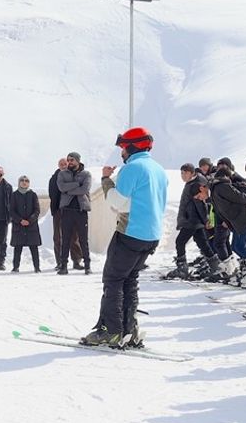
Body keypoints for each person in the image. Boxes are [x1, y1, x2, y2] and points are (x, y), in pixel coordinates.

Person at [81, 127, 168, 347]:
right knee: (130, 280)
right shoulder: (158, 169)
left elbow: (117, 203)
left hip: (131, 233)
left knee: (113, 280)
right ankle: (130, 330)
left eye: (122, 147)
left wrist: (105, 179)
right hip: (151, 235)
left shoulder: (132, 168)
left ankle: (111, 332)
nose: (121, 152)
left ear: (131, 146)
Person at [168, 163, 217, 278]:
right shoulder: (192, 182)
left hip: (192, 219)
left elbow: (201, 205)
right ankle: (215, 266)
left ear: (191, 173)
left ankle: (182, 268)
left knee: (180, 241)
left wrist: (206, 220)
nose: (182, 175)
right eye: (181, 173)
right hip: (194, 219)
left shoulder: (196, 184)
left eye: (184, 173)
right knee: (202, 243)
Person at [55, 152, 92, 275]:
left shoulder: (86, 174)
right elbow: (61, 188)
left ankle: (87, 266)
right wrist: (77, 184)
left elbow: (85, 189)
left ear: (77, 160)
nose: (69, 162)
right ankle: (63, 266)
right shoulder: (62, 174)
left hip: (81, 211)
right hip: (67, 211)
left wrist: (69, 189)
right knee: (65, 239)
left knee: (83, 240)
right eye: (68, 160)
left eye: (72, 160)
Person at [48, 158, 84, 271]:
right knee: (58, 237)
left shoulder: (73, 176)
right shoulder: (53, 178)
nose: (63, 165)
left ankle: (76, 261)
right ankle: (60, 262)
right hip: (58, 210)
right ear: (58, 166)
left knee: (74, 236)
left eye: (65, 164)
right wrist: (54, 210)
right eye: (61, 164)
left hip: (71, 209)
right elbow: (52, 194)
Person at [9, 175, 42, 272]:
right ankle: (15, 267)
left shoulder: (33, 194)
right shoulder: (14, 195)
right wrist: (20, 220)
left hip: (31, 225)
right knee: (18, 248)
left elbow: (37, 210)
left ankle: (37, 267)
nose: (24, 182)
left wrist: (29, 220)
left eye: (26, 180)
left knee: (34, 247)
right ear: (19, 182)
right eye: (22, 180)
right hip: (18, 225)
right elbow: (11, 210)